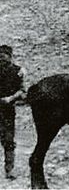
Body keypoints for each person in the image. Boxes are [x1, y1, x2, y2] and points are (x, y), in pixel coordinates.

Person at [0, 46, 26, 180]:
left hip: (7, 110)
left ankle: (9, 170)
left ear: (10, 56)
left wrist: (10, 98)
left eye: (5, 56)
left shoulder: (18, 71)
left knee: (8, 140)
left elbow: (22, 91)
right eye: (0, 56)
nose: (2, 59)